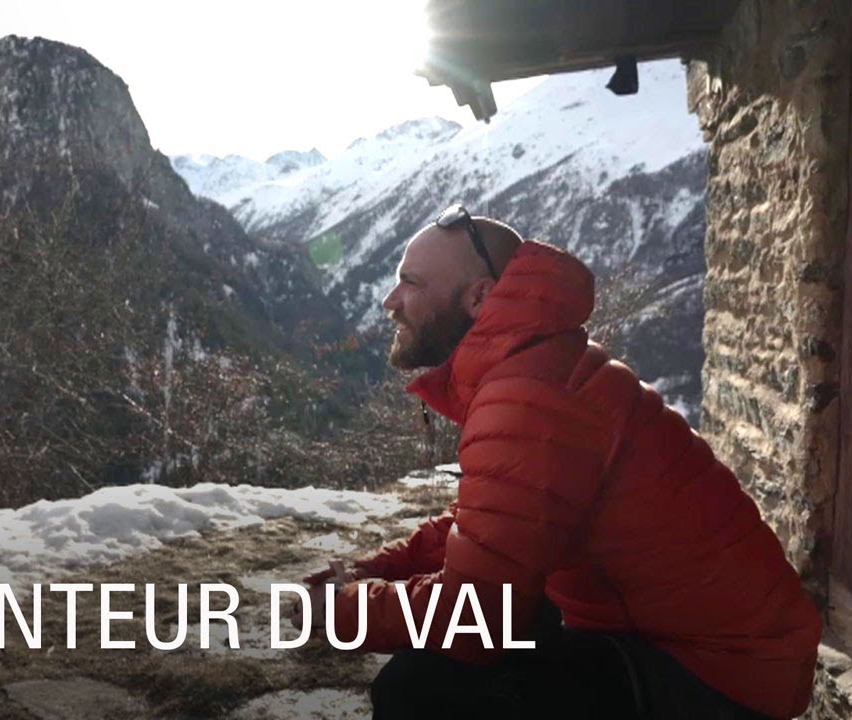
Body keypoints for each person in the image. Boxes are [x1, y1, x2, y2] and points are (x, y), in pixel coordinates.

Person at [300, 205, 822, 719]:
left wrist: (344, 608)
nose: (390, 301)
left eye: (410, 283)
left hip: (716, 674)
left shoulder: (527, 395)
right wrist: (381, 568)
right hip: (720, 648)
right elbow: (493, 528)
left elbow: (476, 616)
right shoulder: (539, 366)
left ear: (479, 297)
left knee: (422, 689)